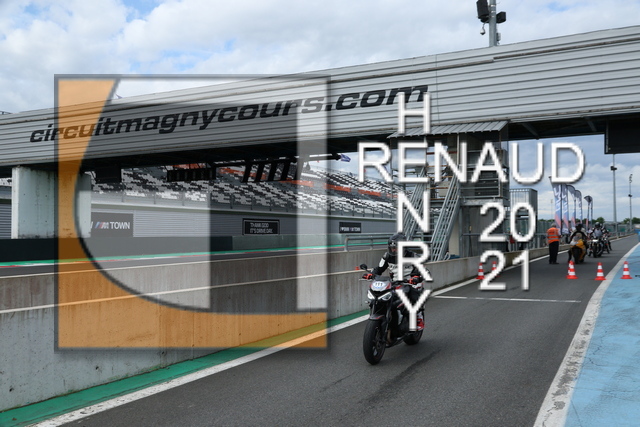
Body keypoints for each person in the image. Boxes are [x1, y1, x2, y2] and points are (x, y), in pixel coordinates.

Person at [362, 232, 425, 330]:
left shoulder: (413, 256)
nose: (394, 250)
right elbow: (379, 269)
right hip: (395, 283)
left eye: (396, 248)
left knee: (414, 295)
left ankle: (418, 318)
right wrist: (372, 274)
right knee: (381, 297)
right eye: (392, 248)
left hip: (410, 282)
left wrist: (416, 278)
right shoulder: (387, 256)